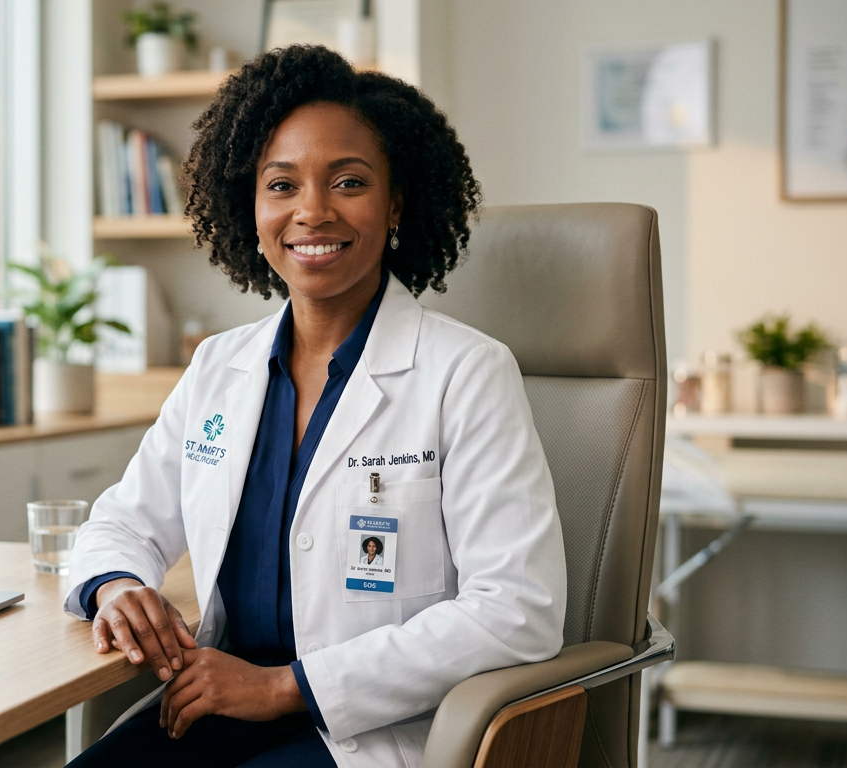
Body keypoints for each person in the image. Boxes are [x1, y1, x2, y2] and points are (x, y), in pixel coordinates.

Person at [63, 45, 566, 768]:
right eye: (281, 185)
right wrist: (115, 585)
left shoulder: (466, 372)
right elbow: (120, 520)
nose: (311, 212)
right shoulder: (219, 366)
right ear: (253, 206)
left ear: (396, 203)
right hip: (215, 707)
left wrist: (284, 687)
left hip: (372, 728)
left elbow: (519, 609)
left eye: (349, 182)